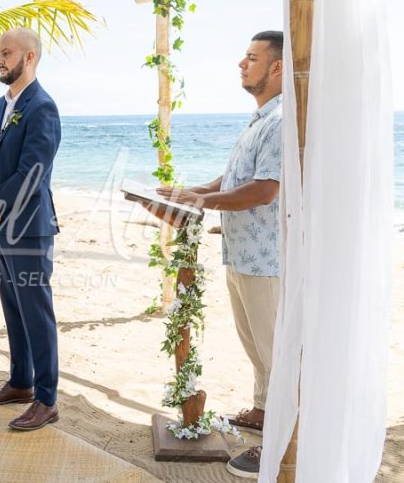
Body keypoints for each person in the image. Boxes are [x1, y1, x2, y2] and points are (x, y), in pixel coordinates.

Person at [159, 31, 283, 479]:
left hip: (266, 261)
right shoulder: (260, 118)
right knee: (256, 347)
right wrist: (192, 192)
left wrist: (201, 204)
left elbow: (265, 190)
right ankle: (266, 410)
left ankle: (279, 448)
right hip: (242, 253)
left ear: (276, 68)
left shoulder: (282, 118)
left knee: (274, 352)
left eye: (251, 57)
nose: (241, 63)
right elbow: (234, 177)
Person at [0, 28, 62, 431]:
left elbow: (32, 173)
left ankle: (46, 399)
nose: (0, 59)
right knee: (12, 306)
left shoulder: (43, 107)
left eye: (6, 53)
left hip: (29, 227)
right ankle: (21, 382)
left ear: (30, 58)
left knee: (36, 311)